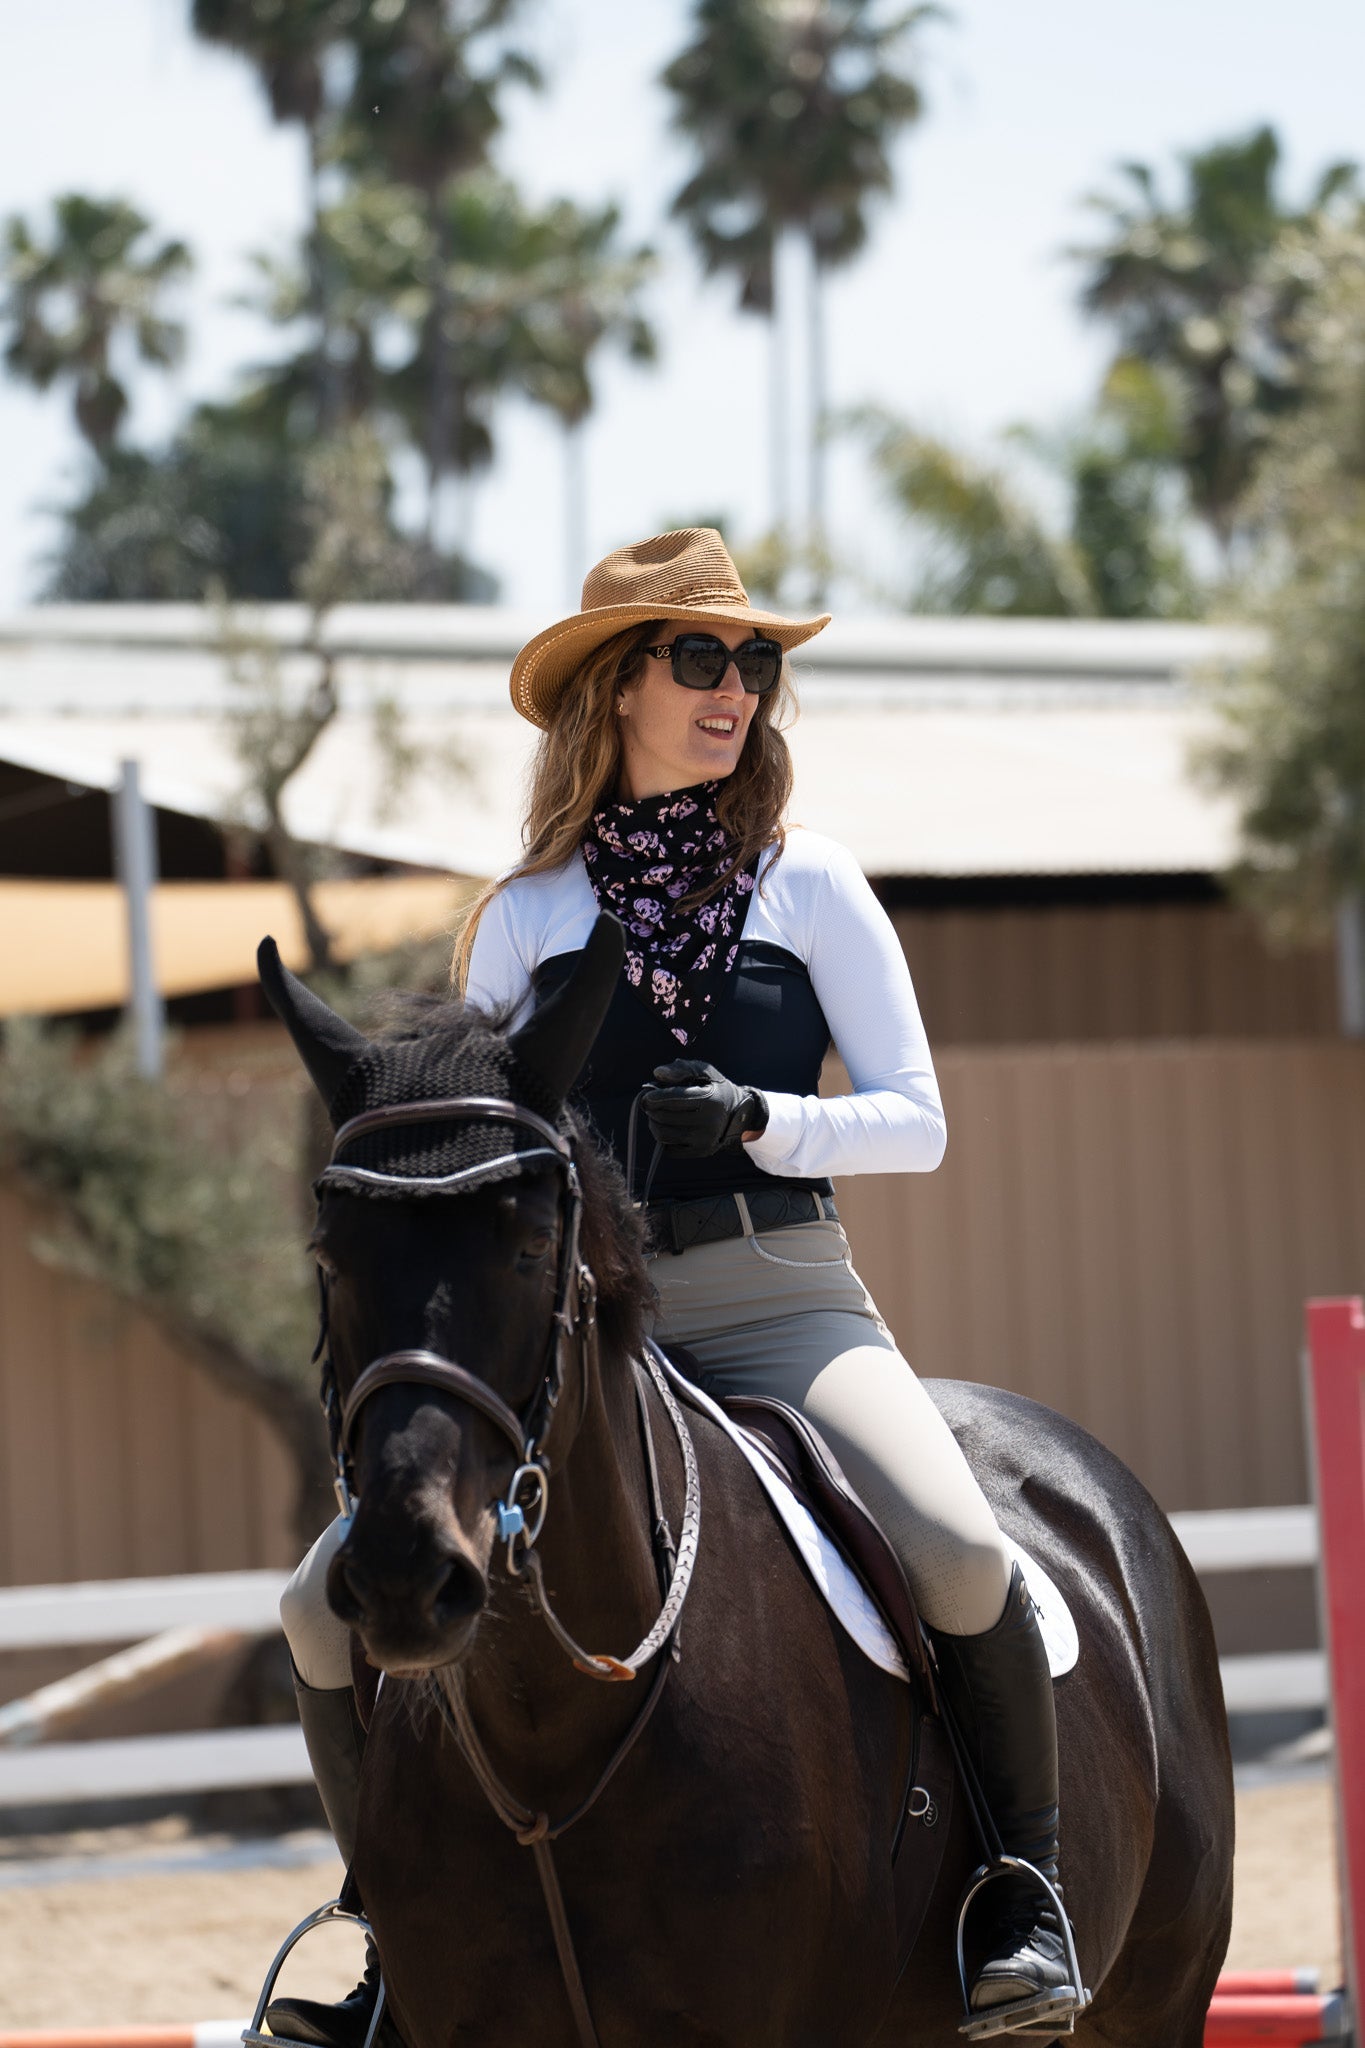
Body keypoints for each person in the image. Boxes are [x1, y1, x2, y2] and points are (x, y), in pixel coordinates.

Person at [270, 529, 1076, 2046]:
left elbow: (919, 1118)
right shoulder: (526, 916)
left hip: (780, 1301)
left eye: (753, 666)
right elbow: (474, 1150)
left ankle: (1018, 1897)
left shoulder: (811, 884)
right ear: (614, 689)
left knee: (962, 1551)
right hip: (579, 1346)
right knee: (321, 1614)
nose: (735, 692)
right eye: (700, 660)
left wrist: (767, 1122)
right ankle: (391, 1937)